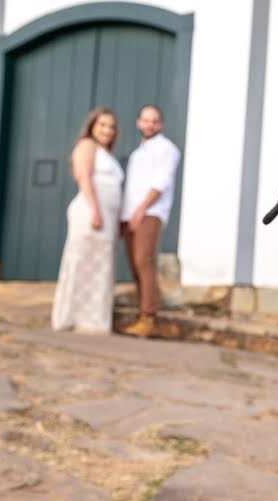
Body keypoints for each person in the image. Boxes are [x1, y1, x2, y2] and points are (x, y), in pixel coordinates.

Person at [51, 107, 124, 334]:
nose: (107, 130)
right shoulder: (87, 146)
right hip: (90, 211)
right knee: (82, 263)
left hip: (107, 216)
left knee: (101, 266)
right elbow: (84, 177)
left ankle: (93, 319)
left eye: (111, 126)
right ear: (92, 126)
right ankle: (73, 317)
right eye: (102, 125)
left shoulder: (108, 154)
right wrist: (95, 210)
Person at [118, 104, 182, 336]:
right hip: (130, 215)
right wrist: (125, 216)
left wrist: (141, 210)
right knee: (135, 264)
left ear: (160, 124)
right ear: (138, 122)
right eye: (146, 120)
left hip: (150, 213)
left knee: (144, 261)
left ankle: (149, 315)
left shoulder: (166, 149)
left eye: (154, 121)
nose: (150, 124)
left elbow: (161, 183)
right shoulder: (137, 154)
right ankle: (142, 313)